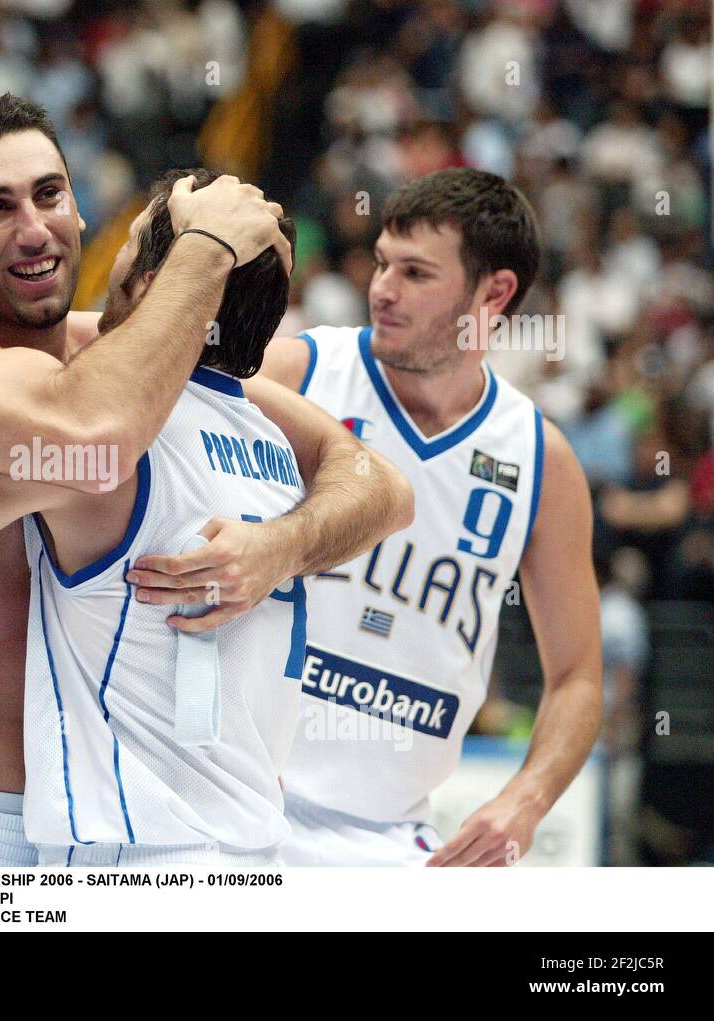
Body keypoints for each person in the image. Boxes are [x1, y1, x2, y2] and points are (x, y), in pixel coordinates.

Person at [0, 167, 413, 867]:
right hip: (253, 850)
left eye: (127, 245)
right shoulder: (274, 443)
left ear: (159, 287)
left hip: (133, 856)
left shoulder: (100, 456)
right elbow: (383, 484)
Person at [254, 167, 602, 865]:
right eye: (383, 262)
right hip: (238, 812)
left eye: (416, 272)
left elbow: (579, 677)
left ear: (493, 293)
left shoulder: (540, 459)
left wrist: (525, 798)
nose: (382, 288)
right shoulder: (299, 371)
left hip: (392, 842)